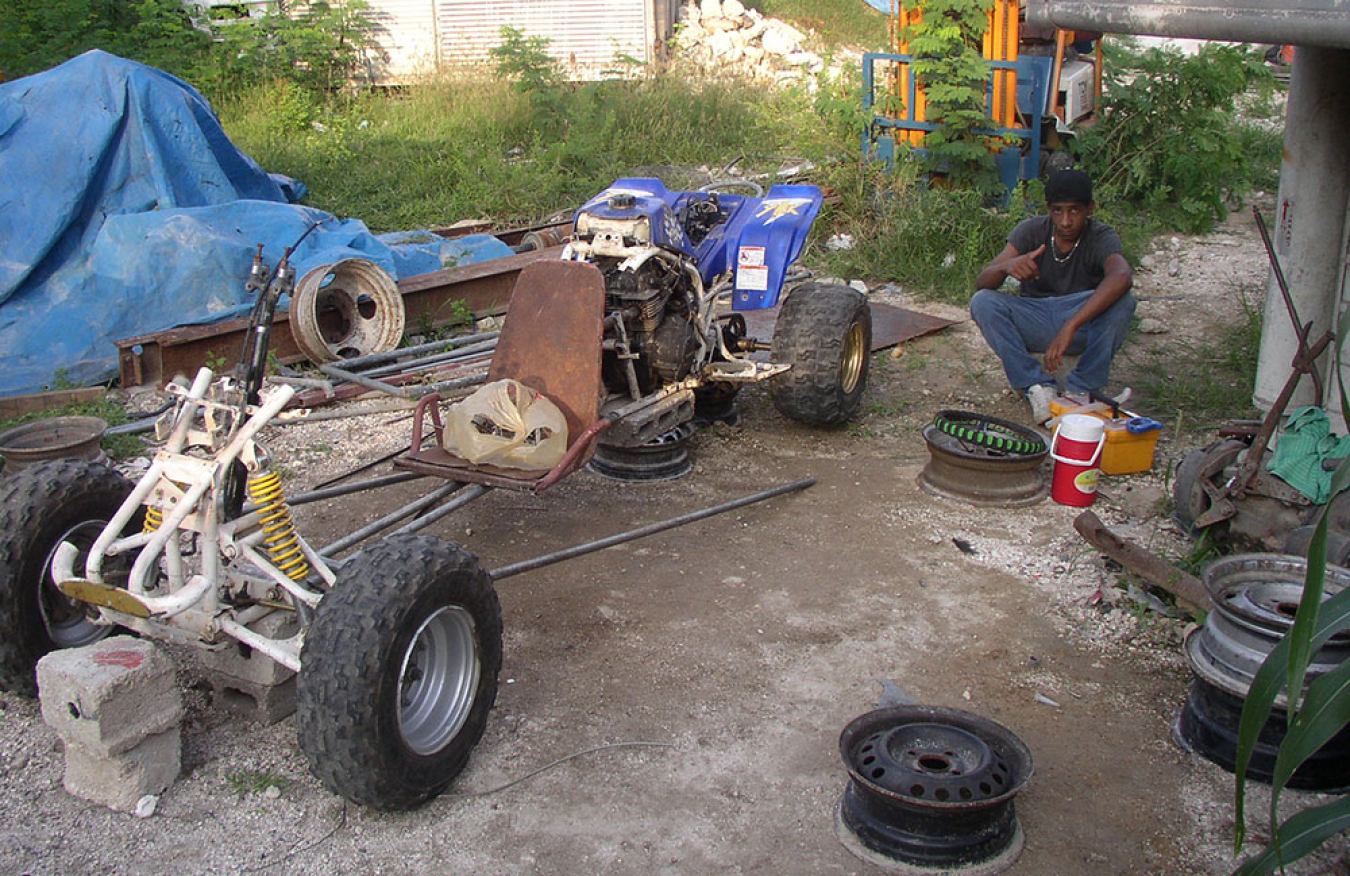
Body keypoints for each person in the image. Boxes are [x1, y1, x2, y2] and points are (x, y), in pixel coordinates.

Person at [970, 169, 1134, 425]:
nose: (1066, 221)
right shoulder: (1031, 231)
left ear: (1090, 208)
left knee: (1124, 299)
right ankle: (1036, 386)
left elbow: (1122, 275)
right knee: (983, 302)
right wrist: (1007, 266)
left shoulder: (1101, 236)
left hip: (1079, 322)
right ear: (1049, 209)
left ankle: (1081, 389)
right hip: (1035, 317)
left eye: (1075, 211)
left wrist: (1072, 325)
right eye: (1058, 211)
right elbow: (982, 282)